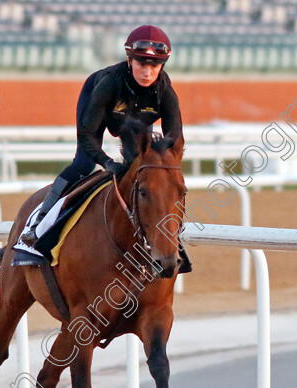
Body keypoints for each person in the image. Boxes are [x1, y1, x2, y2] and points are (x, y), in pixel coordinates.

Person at [20, 25, 183, 247]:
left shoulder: (165, 92)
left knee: (142, 169)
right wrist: (106, 162)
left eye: (154, 66)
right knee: (84, 164)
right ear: (129, 61)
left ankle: (160, 236)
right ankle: (40, 223)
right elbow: (86, 135)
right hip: (99, 105)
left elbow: (174, 142)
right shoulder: (109, 83)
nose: (147, 73)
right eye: (141, 64)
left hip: (134, 125)